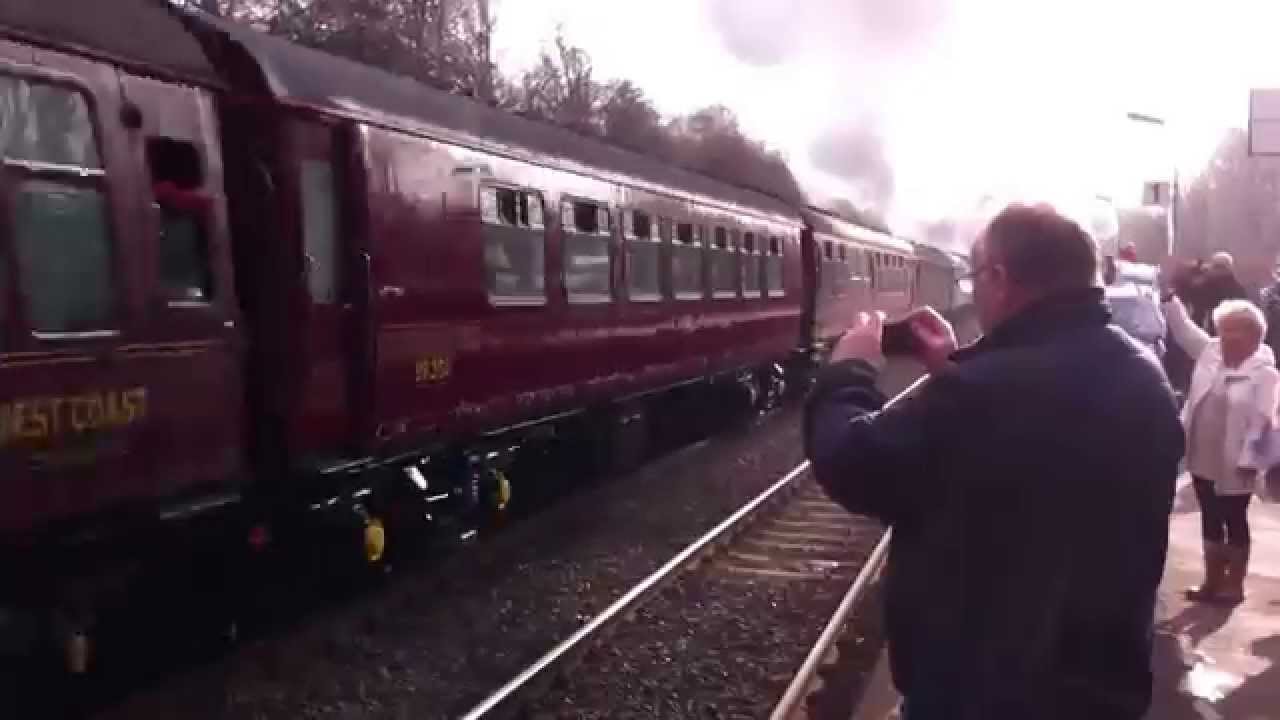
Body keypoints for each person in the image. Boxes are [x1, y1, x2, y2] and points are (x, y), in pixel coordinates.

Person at [805, 203, 1184, 720]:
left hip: (979, 692)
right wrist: (956, 368)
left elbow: (851, 460)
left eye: (975, 277)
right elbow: (1031, 444)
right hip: (1102, 689)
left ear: (1000, 278)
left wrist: (848, 371)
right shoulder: (1144, 378)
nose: (973, 290)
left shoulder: (979, 396)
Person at [1161, 289, 1278, 603]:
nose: (1225, 337)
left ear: (1253, 336)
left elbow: (1263, 421)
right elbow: (1184, 331)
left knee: (1234, 519)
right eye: (1222, 330)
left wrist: (1250, 461)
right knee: (1210, 516)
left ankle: (1234, 584)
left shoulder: (1264, 373)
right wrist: (1169, 299)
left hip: (1237, 461)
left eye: (1233, 331)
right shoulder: (1210, 352)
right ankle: (1211, 581)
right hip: (1203, 453)